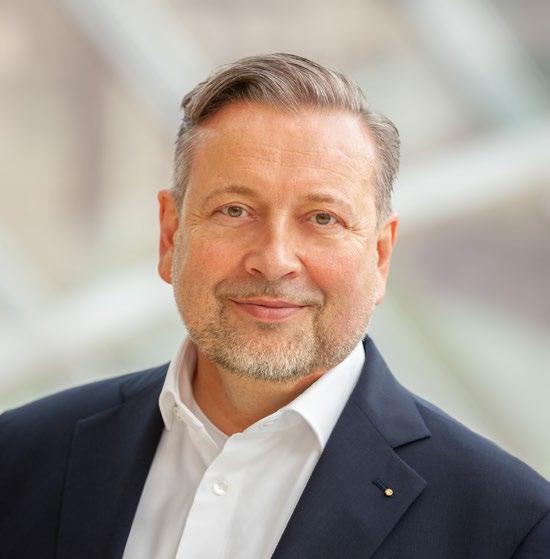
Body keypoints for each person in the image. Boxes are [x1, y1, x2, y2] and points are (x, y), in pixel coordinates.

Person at [1, 53, 548, 559]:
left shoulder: (511, 530)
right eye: (235, 210)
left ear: (380, 256)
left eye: (323, 218)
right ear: (170, 236)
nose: (274, 260)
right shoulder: (18, 459)